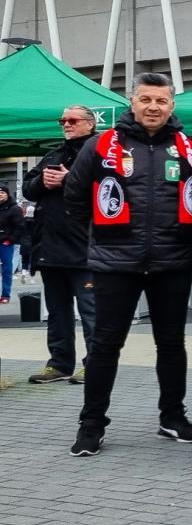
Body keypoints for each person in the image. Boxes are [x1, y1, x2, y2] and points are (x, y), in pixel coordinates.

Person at [64, 72, 192, 456]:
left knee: (172, 345)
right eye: (146, 99)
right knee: (104, 347)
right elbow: (75, 198)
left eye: (161, 100)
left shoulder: (190, 148)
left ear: (172, 105)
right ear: (133, 102)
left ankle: (172, 417)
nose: (153, 107)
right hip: (115, 265)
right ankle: (92, 425)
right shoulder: (101, 145)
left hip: (172, 263)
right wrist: (102, 239)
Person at [22, 106, 97, 383]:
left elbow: (109, 188)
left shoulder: (99, 151)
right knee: (57, 312)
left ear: (89, 124)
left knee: (91, 312)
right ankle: (60, 363)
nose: (66, 124)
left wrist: (69, 180)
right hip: (50, 248)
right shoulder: (54, 153)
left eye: (72, 120)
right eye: (63, 120)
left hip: (85, 247)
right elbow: (28, 188)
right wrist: (43, 181)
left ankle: (96, 364)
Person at [0, 184, 23, 305]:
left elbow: (20, 226)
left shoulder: (14, 209)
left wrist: (10, 239)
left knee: (7, 270)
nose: (0, 195)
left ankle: (5, 295)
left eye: (2, 193)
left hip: (5, 243)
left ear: (7, 194)